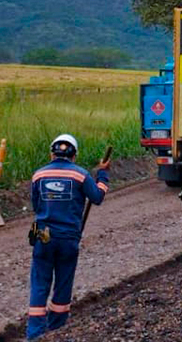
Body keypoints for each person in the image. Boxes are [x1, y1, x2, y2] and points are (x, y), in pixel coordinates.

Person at [26, 134, 110, 341]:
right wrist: (103, 175)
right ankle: (57, 331)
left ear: (51, 153)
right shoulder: (81, 175)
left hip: (42, 234)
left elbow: (36, 206)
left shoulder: (38, 175)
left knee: (39, 282)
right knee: (63, 283)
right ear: (75, 155)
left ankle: (35, 334)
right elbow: (97, 197)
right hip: (68, 237)